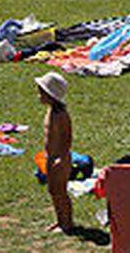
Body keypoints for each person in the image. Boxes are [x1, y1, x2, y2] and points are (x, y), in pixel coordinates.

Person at [36, 72, 73, 233]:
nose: (38, 96)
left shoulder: (61, 115)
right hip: (51, 157)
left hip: (60, 159)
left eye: (41, 92)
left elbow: (67, 137)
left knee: (61, 192)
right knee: (53, 191)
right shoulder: (51, 111)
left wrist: (61, 157)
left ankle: (67, 222)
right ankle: (60, 220)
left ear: (51, 95)